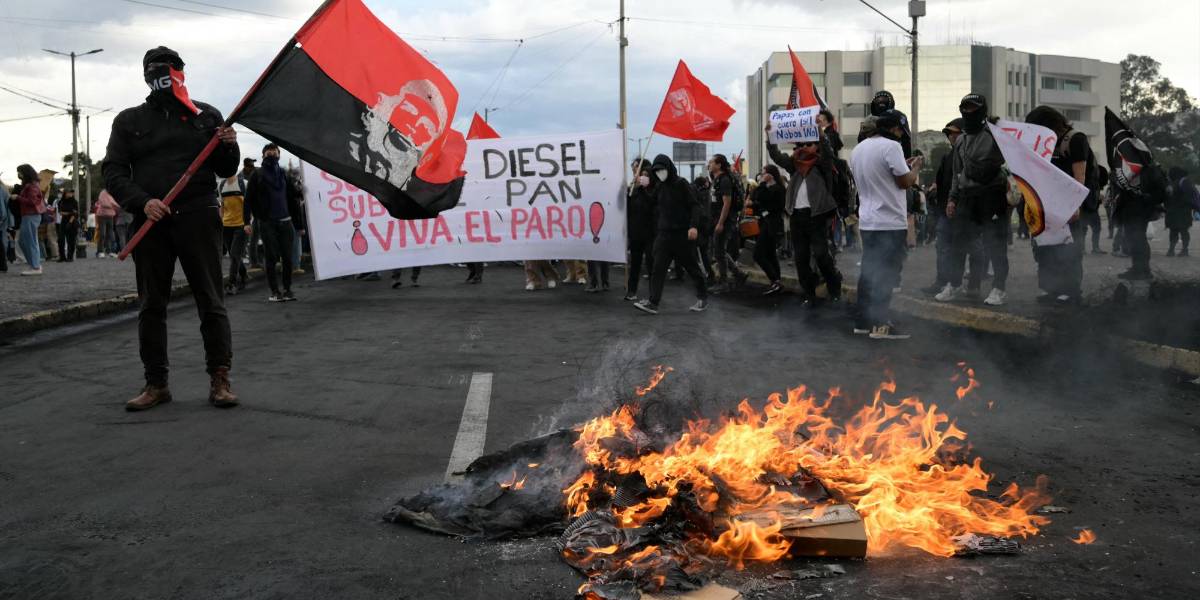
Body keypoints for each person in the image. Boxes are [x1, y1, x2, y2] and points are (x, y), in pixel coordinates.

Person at [103, 46, 240, 411]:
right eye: (156, 70)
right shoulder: (130, 120)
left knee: (211, 301)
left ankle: (220, 378)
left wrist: (230, 145)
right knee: (151, 306)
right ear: (146, 76)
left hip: (198, 215)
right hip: (151, 221)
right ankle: (156, 383)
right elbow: (113, 172)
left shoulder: (206, 115)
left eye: (171, 69)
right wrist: (141, 201)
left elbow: (226, 169)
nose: (164, 75)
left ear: (181, 72)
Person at [849, 110, 923, 339]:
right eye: (901, 130)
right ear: (894, 129)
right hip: (889, 221)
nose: (901, 135)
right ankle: (881, 325)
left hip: (868, 220)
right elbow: (903, 182)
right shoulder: (891, 146)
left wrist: (904, 166)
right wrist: (916, 169)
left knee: (869, 272)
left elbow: (881, 175)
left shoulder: (859, 149)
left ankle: (863, 321)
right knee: (886, 274)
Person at [937, 95, 1008, 307]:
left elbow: (1008, 159)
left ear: (982, 110)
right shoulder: (960, 140)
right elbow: (957, 175)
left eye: (973, 108)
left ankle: (999, 288)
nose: (968, 112)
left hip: (991, 195)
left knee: (995, 243)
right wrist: (952, 199)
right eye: (964, 108)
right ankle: (955, 283)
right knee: (958, 243)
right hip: (967, 197)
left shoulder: (995, 134)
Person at [766, 126, 842, 306]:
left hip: (816, 216)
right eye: (802, 144)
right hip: (796, 217)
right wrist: (770, 136)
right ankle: (809, 294)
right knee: (800, 258)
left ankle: (834, 288)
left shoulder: (822, 165)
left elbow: (828, 153)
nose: (805, 147)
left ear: (817, 147)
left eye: (810, 144)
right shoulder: (795, 165)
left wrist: (822, 136)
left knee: (822, 255)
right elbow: (777, 156)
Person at [1025, 105, 1095, 296]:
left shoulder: (1075, 139)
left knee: (1069, 248)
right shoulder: (1045, 142)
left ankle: (1070, 290)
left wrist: (1075, 206)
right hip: (1049, 204)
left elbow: (1080, 176)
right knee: (1047, 246)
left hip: (1071, 204)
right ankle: (1051, 288)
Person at [635, 154, 708, 315]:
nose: (660, 172)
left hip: (682, 235)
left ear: (669, 167)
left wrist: (693, 226)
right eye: (656, 170)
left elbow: (695, 206)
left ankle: (703, 297)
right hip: (664, 235)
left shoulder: (681, 184)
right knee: (658, 269)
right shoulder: (660, 186)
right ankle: (653, 302)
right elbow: (651, 203)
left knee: (692, 267)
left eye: (661, 169)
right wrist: (641, 187)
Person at [246, 143, 301, 302]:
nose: (272, 154)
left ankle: (288, 289)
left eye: (275, 152)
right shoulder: (257, 174)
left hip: (285, 222)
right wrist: (246, 221)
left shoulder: (283, 174)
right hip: (267, 222)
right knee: (271, 258)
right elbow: (248, 200)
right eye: (268, 152)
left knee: (288, 258)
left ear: (279, 155)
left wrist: (299, 225)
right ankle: (275, 291)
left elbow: (292, 199)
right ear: (263, 155)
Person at [922, 119, 964, 295]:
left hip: (962, 211)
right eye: (949, 133)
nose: (951, 136)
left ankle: (970, 283)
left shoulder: (967, 155)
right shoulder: (948, 156)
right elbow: (944, 180)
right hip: (945, 210)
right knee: (943, 247)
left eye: (955, 132)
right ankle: (943, 281)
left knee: (965, 249)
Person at [707, 154, 747, 292]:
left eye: (712, 162)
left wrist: (720, 223)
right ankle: (739, 274)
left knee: (719, 250)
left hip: (724, 219)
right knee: (719, 250)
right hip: (717, 218)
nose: (709, 164)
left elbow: (727, 203)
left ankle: (724, 282)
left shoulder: (724, 180)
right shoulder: (716, 179)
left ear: (719, 165)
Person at [748, 164, 786, 295]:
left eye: (764, 173)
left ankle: (775, 280)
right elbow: (757, 197)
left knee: (758, 254)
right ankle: (777, 282)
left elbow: (762, 197)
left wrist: (762, 183)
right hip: (765, 223)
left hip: (772, 224)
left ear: (770, 174)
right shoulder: (770, 188)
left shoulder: (777, 189)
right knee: (770, 254)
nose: (762, 175)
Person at [625, 159, 657, 300]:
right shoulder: (634, 191)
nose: (641, 176)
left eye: (645, 174)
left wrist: (645, 189)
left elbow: (652, 204)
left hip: (650, 234)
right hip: (635, 233)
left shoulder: (654, 190)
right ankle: (632, 291)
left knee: (651, 264)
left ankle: (653, 294)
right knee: (635, 265)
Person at [858, 91, 913, 159]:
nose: (881, 103)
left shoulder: (897, 116)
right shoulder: (868, 121)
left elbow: (906, 140)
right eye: (878, 100)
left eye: (884, 99)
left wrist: (907, 160)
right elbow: (860, 141)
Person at [218, 174, 249, 294]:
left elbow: (249, 204)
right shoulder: (221, 185)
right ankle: (244, 274)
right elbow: (222, 206)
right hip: (226, 226)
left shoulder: (244, 184)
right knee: (233, 255)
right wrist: (221, 222)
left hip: (241, 225)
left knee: (235, 254)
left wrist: (248, 223)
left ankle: (232, 283)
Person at [14, 164, 45, 276]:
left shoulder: (32, 186)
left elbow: (32, 202)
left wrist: (17, 197)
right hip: (29, 215)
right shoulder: (32, 185)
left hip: (31, 215)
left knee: (29, 241)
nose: (19, 174)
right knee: (25, 240)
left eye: (20, 172)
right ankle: (34, 264)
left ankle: (35, 266)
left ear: (25, 173)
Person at [1166, 167, 1195, 257]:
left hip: (1180, 212)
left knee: (1181, 231)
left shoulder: (1183, 182)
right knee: (1177, 231)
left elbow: (1188, 197)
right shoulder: (1177, 182)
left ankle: (1182, 250)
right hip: (1178, 212)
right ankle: (1174, 249)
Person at [93, 188, 119, 258]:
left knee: (110, 234)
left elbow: (118, 204)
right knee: (102, 234)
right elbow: (104, 203)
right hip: (102, 216)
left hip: (110, 216)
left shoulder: (113, 192)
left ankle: (110, 251)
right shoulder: (103, 193)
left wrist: (113, 204)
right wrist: (113, 205)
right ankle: (100, 251)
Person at [56, 188, 79, 262]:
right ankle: (62, 256)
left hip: (72, 222)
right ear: (65, 193)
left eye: (72, 193)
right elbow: (60, 212)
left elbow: (75, 214)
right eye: (69, 192)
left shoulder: (74, 202)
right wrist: (69, 212)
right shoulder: (61, 201)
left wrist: (70, 221)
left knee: (71, 240)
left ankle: (70, 256)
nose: (71, 194)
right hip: (63, 221)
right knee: (60, 239)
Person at [0, 180, 10, 272]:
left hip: (1, 219)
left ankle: (3, 265)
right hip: (3, 220)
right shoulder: (4, 189)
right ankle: (3, 265)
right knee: (2, 242)